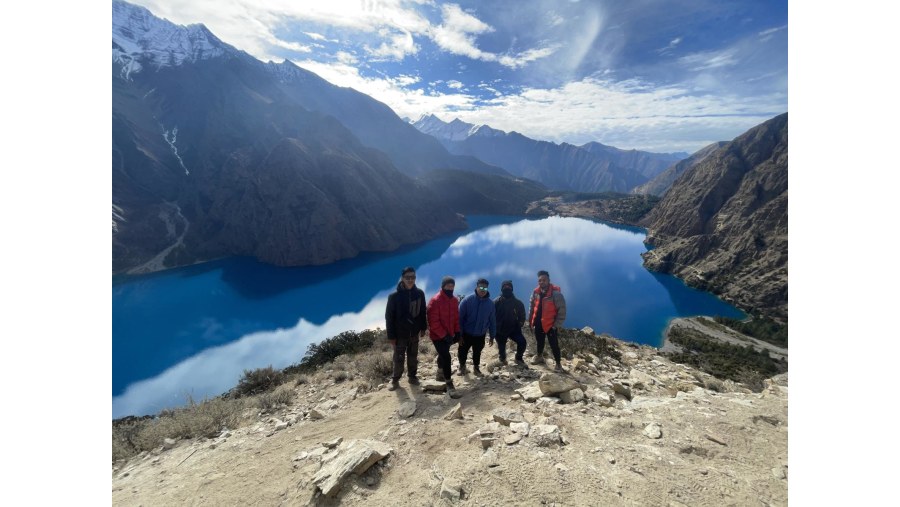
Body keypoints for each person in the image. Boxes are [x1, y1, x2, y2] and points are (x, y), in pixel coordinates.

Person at [384, 266, 427, 391]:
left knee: (413, 356)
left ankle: (412, 377)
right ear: (402, 278)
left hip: (414, 332)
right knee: (398, 358)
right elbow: (389, 318)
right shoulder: (394, 297)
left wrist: (423, 327)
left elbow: (423, 311)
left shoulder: (419, 293)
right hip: (399, 334)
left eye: (413, 277)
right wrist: (391, 336)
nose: (410, 280)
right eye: (407, 277)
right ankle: (395, 379)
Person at [427, 276, 462, 398]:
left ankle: (440, 372)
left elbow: (456, 318)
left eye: (452, 286)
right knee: (446, 356)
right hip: (437, 336)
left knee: (444, 353)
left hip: (449, 334)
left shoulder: (454, 300)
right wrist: (444, 335)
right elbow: (433, 323)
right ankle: (449, 384)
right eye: (448, 286)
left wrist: (457, 332)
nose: (450, 288)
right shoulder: (435, 301)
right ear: (443, 286)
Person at [528, 270, 567, 371]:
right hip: (538, 322)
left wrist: (555, 325)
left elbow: (561, 311)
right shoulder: (535, 292)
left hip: (550, 325)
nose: (541, 282)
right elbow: (532, 307)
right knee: (539, 341)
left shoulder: (556, 294)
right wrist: (530, 321)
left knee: (554, 345)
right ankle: (540, 356)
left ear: (549, 280)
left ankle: (558, 364)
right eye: (539, 280)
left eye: (544, 280)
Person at [457, 278, 497, 376]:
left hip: (480, 334)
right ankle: (462, 367)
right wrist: (459, 334)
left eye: (485, 288)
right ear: (477, 287)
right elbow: (459, 319)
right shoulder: (467, 300)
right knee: (462, 351)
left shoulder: (490, 304)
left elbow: (492, 321)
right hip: (466, 333)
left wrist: (492, 336)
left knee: (477, 352)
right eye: (481, 287)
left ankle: (476, 368)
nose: (483, 290)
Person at [492, 280, 527, 366]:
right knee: (501, 348)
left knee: (522, 342)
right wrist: (493, 329)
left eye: (509, 287)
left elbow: (522, 315)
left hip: (514, 329)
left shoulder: (518, 303)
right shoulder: (496, 302)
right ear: (501, 289)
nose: (507, 288)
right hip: (500, 330)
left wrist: (520, 323)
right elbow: (490, 316)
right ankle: (502, 359)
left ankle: (518, 358)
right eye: (505, 287)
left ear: (512, 289)